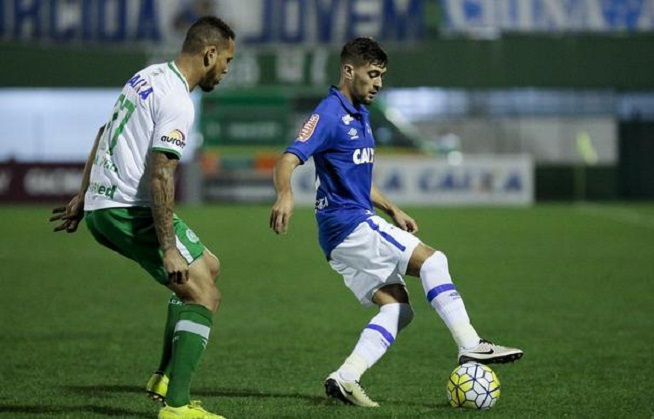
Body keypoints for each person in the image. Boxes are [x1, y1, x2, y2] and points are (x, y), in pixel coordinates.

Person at [269, 37, 523, 408]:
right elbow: (288, 159)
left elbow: (357, 176)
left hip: (344, 232)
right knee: (434, 261)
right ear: (348, 70)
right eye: (372, 75)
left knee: (398, 308)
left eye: (382, 76)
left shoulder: (360, 112)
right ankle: (470, 345)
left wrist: (392, 208)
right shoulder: (328, 113)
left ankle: (346, 377)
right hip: (349, 224)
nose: (378, 83)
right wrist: (285, 194)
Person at [49, 16, 235, 419]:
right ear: (209, 53)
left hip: (105, 205)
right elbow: (162, 171)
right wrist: (168, 247)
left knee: (210, 269)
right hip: (126, 210)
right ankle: (178, 406)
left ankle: (164, 378)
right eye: (227, 60)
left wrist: (84, 193)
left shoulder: (147, 76)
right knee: (204, 295)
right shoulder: (178, 102)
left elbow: (104, 131)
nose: (226, 69)